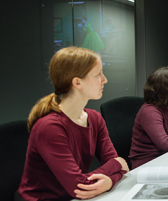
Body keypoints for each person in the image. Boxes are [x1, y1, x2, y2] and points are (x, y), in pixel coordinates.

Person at [17, 47, 129, 201]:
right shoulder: (49, 127)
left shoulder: (94, 118)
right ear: (77, 82)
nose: (105, 79)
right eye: (98, 74)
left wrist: (110, 180)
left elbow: (117, 165)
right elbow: (79, 186)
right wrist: (117, 165)